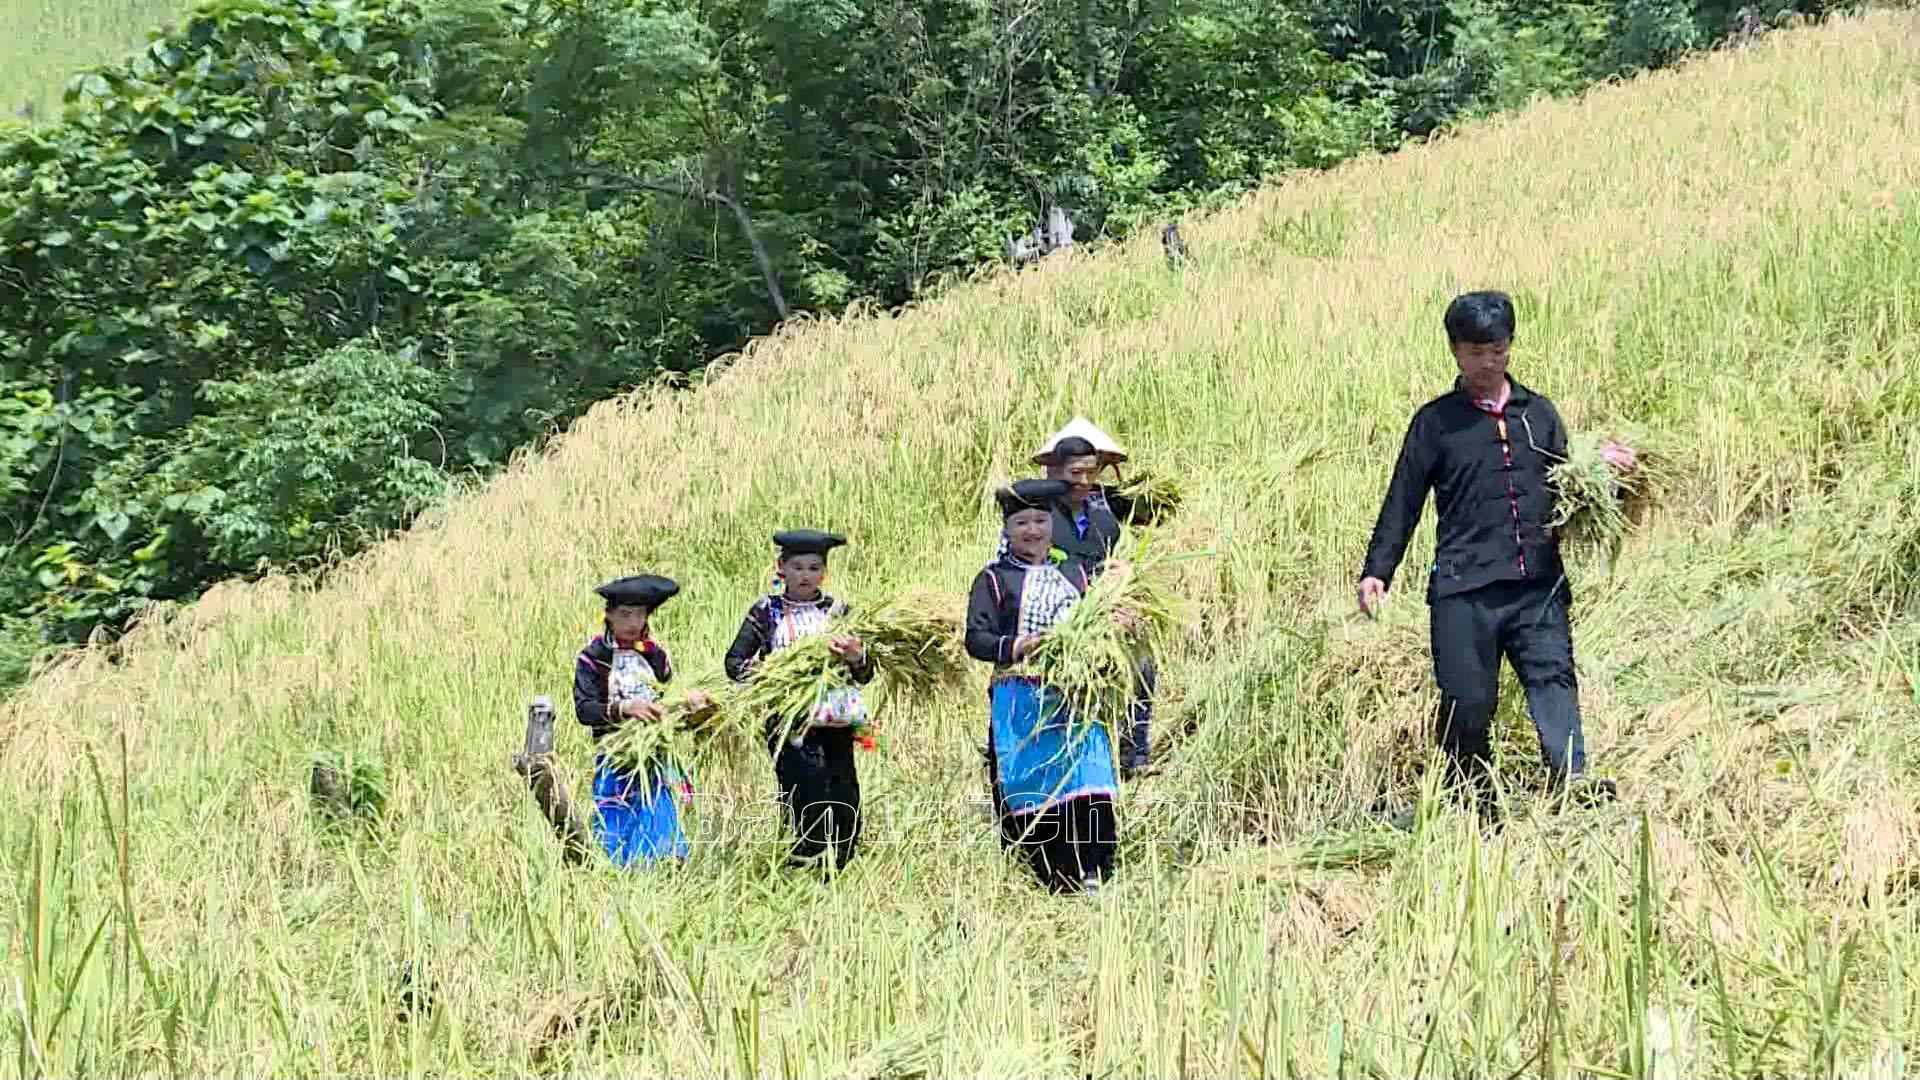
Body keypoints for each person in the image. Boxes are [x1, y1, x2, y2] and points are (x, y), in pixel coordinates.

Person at [1358, 290, 1633, 827]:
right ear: (1455, 353)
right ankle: (1474, 800)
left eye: (1498, 349)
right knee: (1468, 701)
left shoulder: (1539, 414)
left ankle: (1572, 780)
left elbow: (1570, 487)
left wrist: (1606, 470)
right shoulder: (1436, 424)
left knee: (1554, 679)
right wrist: (1377, 570)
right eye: (1476, 351)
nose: (1488, 362)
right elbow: (1404, 498)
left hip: (1537, 584)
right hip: (1465, 590)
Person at [967, 478, 1121, 895]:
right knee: (1033, 785)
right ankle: (1051, 877)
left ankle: (1097, 872)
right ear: (1006, 530)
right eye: (1022, 523)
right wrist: (1020, 645)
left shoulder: (1073, 572)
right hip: (1021, 699)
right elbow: (976, 640)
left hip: (1074, 696)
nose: (1033, 530)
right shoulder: (994, 580)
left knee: (1087, 778)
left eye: (1040, 520)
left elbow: (1099, 620)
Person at [724, 529, 876, 873]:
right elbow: (734, 663)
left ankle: (842, 864)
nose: (805, 575)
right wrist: (774, 675)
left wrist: (856, 656)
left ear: (824, 572)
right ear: (781, 568)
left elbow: (865, 673)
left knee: (842, 788)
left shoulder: (839, 612)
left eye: (813, 567)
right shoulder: (766, 612)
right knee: (804, 788)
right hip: (789, 721)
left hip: (835, 720)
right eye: (797, 567)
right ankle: (805, 862)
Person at [1028, 420, 1168, 779]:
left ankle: (1133, 754)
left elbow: (1154, 510)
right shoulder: (1034, 509)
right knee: (1067, 681)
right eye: (1075, 470)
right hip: (1057, 611)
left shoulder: (1104, 502)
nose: (1086, 479)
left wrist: (1120, 576)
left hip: (1105, 603)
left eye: (1094, 468)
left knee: (1142, 664)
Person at [572, 574, 711, 867]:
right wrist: (624, 708)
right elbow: (584, 710)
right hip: (614, 753)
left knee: (657, 808)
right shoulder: (593, 658)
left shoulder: (656, 657)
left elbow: (667, 702)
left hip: (653, 753)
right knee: (616, 814)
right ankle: (618, 871)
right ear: (608, 615)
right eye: (624, 614)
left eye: (639, 614)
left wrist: (689, 706)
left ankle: (663, 866)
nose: (633, 622)